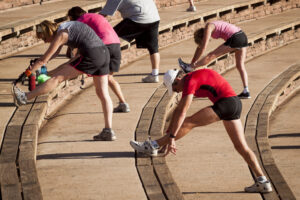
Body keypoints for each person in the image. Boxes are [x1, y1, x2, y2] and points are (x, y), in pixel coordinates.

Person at [130, 68, 273, 193]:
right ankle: (263, 181)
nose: (175, 92)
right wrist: (169, 134)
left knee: (188, 122)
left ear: (178, 80)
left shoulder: (190, 82)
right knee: (241, 147)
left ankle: (153, 145)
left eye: (174, 88)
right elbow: (178, 109)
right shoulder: (193, 77)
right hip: (234, 103)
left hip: (225, 104)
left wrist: (171, 137)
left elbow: (182, 112)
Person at [12, 20, 117, 141]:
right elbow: (54, 54)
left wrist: (25, 75)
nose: (44, 41)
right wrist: (40, 68)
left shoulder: (62, 34)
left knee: (57, 78)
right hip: (103, 53)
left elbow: (43, 60)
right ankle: (108, 130)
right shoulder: (66, 28)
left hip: (91, 54)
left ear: (49, 32)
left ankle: (24, 97)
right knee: (103, 93)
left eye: (44, 38)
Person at [67, 6, 130, 113]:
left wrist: (72, 54)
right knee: (109, 77)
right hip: (115, 44)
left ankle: (108, 110)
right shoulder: (95, 16)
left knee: (100, 86)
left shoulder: (80, 20)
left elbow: (77, 38)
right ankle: (123, 103)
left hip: (103, 46)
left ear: (72, 17)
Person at [179, 20, 250, 99]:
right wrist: (192, 62)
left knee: (211, 56)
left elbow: (203, 47)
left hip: (235, 37)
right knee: (240, 65)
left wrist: (191, 66)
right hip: (242, 36)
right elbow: (200, 47)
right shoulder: (212, 26)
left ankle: (189, 68)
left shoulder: (208, 27)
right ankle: (246, 91)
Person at [101, 0, 161, 83]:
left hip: (138, 18)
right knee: (153, 47)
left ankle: (107, 74)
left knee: (110, 38)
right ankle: (155, 75)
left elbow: (102, 16)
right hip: (153, 16)